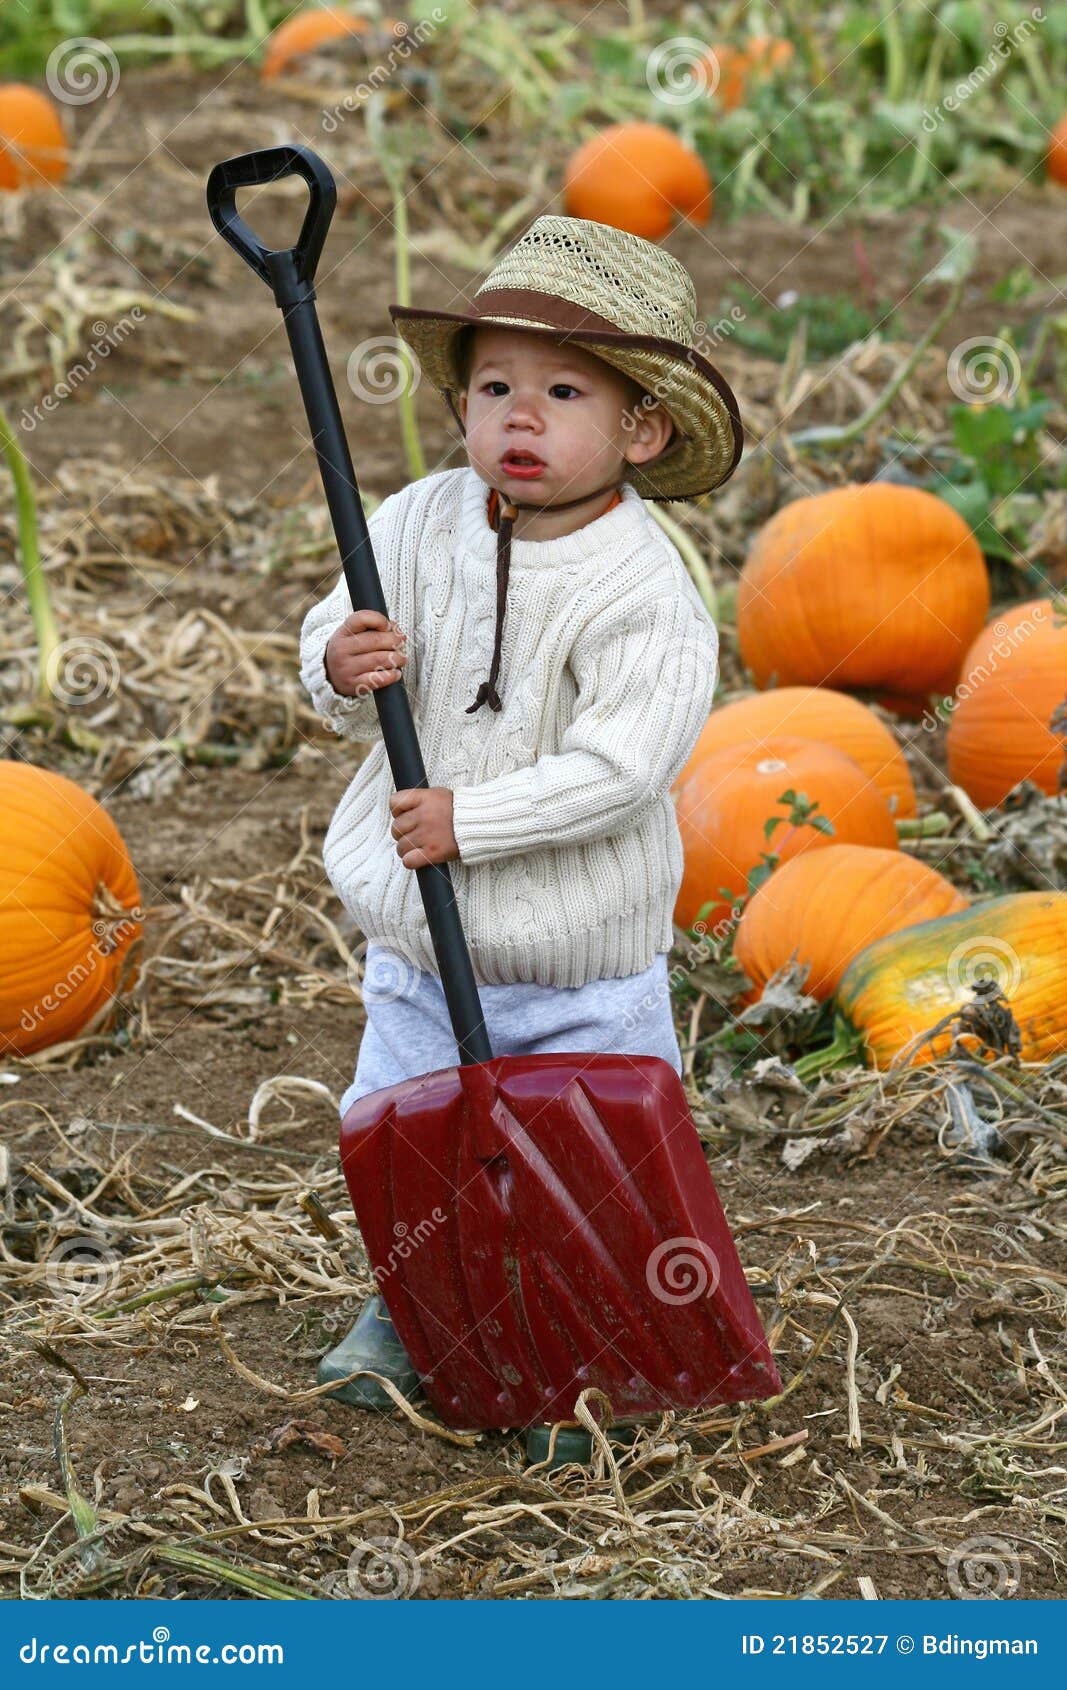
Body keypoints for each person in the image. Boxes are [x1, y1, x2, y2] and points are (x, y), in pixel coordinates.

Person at [298, 213, 743, 1412]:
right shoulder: (414, 523)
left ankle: (596, 1344)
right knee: (411, 1138)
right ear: (459, 409)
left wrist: (470, 821)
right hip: (419, 950)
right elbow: (334, 628)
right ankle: (413, 1301)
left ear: (640, 428)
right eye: (493, 386)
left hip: (577, 965)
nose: (519, 416)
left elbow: (621, 769)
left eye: (560, 390)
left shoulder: (645, 594)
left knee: (593, 1173)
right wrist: (338, 659)